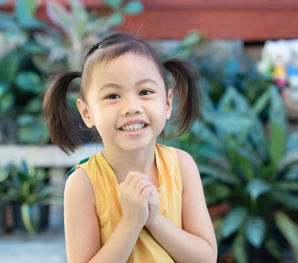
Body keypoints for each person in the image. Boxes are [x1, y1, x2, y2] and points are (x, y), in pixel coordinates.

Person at [43, 32, 217, 263]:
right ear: (87, 112)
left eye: (145, 92)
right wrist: (130, 223)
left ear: (166, 103)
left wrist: (154, 220)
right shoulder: (83, 185)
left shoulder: (182, 166)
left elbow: (205, 258)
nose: (132, 107)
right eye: (113, 95)